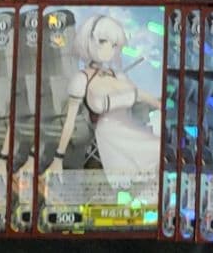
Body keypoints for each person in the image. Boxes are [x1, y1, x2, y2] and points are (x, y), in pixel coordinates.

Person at [45, 15, 160, 189]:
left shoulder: (117, 75)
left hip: (131, 130)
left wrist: (160, 105)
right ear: (89, 41)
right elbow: (69, 121)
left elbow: (139, 94)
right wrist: (58, 157)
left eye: (114, 45)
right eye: (103, 41)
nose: (109, 49)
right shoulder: (81, 79)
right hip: (109, 135)